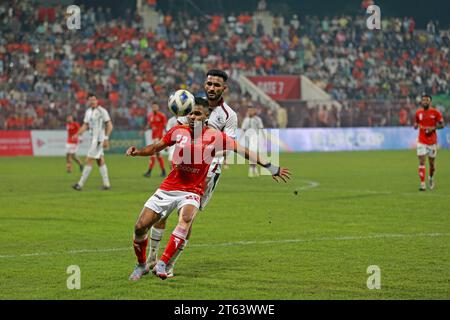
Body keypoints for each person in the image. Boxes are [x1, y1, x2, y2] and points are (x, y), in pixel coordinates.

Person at [126, 98, 291, 280]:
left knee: (186, 218)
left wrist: (270, 167)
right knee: (140, 227)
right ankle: (141, 265)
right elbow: (156, 146)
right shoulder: (178, 131)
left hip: (192, 190)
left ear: (206, 116)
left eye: (197, 113)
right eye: (190, 113)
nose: (192, 116)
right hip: (169, 187)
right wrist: (138, 152)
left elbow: (242, 150)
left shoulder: (215, 136)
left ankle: (164, 263)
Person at [147, 70, 238, 278]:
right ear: (205, 85)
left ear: (224, 88)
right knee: (161, 212)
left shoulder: (229, 115)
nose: (212, 88)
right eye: (209, 84)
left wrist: (207, 150)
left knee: (186, 218)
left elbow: (230, 145)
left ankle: (169, 263)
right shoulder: (190, 104)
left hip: (207, 171)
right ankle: (152, 256)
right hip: (183, 165)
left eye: (217, 85)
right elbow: (177, 129)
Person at [72, 93, 113, 191]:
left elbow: (110, 125)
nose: (92, 101)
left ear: (97, 100)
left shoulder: (102, 111)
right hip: (93, 139)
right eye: (90, 100)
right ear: (88, 101)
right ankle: (107, 184)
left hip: (99, 139)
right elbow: (85, 125)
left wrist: (106, 138)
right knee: (100, 161)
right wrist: (77, 134)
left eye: (94, 99)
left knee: (89, 160)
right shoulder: (88, 112)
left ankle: (80, 184)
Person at [414, 94, 444, 191]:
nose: (425, 102)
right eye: (423, 100)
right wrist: (415, 125)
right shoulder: (418, 113)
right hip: (421, 141)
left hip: (432, 142)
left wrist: (433, 128)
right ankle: (422, 184)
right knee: (422, 161)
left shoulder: (435, 112)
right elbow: (416, 122)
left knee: (432, 164)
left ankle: (430, 178)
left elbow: (442, 125)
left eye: (427, 100)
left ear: (430, 102)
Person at [143, 103, 168, 178]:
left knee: (152, 153)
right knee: (158, 155)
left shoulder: (161, 115)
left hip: (159, 138)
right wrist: (144, 129)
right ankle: (163, 172)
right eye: (153, 107)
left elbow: (165, 127)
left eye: (155, 107)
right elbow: (149, 124)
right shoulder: (150, 116)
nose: (154, 108)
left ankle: (149, 172)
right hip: (154, 138)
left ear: (158, 107)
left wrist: (166, 139)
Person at [241, 106, 265, 177]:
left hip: (255, 138)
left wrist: (263, 138)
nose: (250, 112)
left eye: (251, 110)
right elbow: (243, 129)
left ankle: (251, 170)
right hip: (248, 139)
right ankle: (254, 169)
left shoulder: (258, 119)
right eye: (249, 111)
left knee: (252, 154)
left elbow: (261, 128)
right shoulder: (246, 120)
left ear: (254, 111)